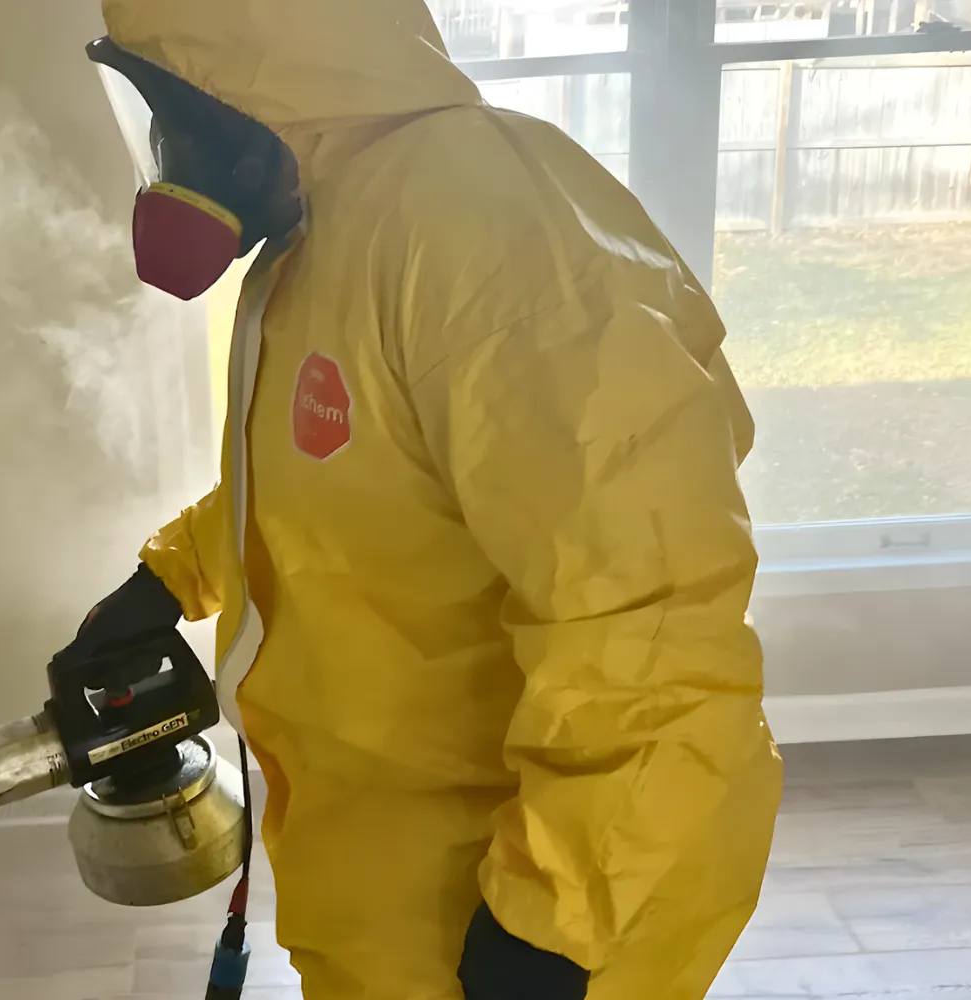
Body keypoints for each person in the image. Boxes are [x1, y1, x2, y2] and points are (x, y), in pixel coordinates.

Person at [65, 1, 784, 998]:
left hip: (530, 886)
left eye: (171, 106)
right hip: (389, 865)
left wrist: (553, 925)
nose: (164, 149)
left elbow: (647, 605)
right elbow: (344, 482)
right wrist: (168, 581)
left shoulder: (480, 226)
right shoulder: (327, 228)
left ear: (251, 83)